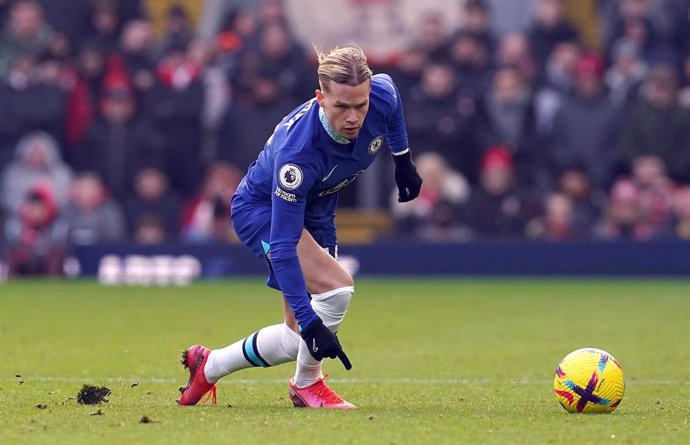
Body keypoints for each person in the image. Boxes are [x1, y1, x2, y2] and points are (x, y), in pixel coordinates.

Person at [177, 45, 422, 409]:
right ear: (320, 98)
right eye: (341, 107)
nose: (354, 117)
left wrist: (402, 159)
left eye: (361, 105)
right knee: (336, 291)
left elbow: (393, 102)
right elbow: (283, 246)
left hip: (318, 209)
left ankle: (209, 365)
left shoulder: (380, 92)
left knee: (296, 341)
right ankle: (307, 385)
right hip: (264, 212)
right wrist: (310, 322)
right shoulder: (299, 154)